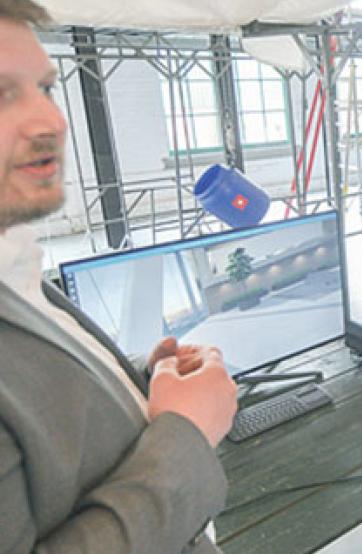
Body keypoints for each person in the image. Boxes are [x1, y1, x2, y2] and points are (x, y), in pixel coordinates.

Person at [0, 2, 238, 552]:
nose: (52, 121)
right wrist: (188, 434)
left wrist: (135, 379)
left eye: (45, 88)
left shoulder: (13, 263)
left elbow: (42, 417)